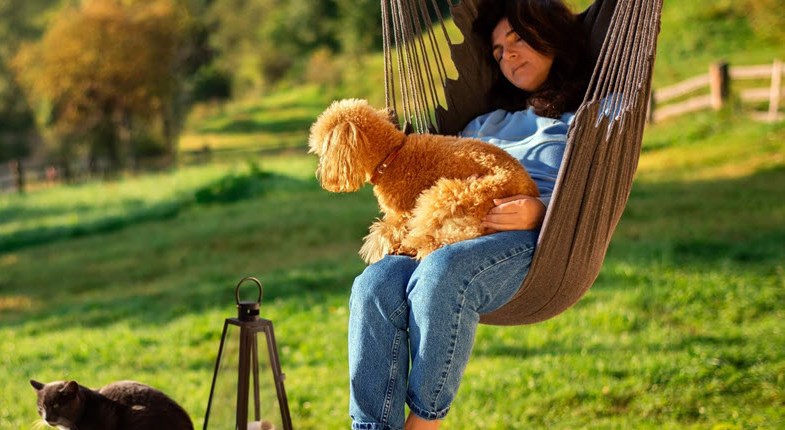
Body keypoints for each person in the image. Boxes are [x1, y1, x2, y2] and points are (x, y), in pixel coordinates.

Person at [347, 1, 592, 429]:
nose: (507, 54)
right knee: (375, 283)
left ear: (552, 33)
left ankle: (424, 424)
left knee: (444, 270)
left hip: (537, 243)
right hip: (452, 232)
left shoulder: (590, 118)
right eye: (497, 51)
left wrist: (541, 213)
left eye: (517, 39)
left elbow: (595, 197)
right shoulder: (484, 123)